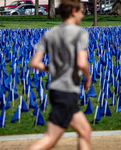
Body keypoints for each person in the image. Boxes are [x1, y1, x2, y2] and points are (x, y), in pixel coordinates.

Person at [27, 0, 92, 149]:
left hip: (56, 90)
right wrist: (88, 78)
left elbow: (35, 63)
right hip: (67, 91)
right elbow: (82, 63)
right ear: (73, 12)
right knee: (50, 139)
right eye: (82, 11)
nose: (83, 15)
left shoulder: (51, 33)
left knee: (85, 131)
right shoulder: (79, 33)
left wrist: (53, 67)